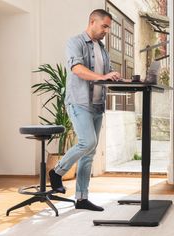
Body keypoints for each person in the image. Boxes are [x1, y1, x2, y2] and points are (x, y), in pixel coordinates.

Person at [49, 9, 121, 211]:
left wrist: (114, 77)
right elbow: (77, 69)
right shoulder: (75, 42)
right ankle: (57, 172)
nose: (106, 30)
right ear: (92, 22)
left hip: (97, 104)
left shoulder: (103, 49)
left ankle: (82, 198)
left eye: (108, 27)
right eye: (104, 26)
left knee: (90, 152)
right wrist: (102, 77)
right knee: (87, 142)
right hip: (79, 102)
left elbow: (103, 75)